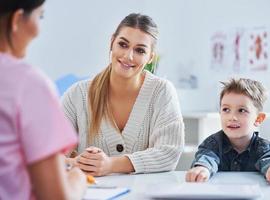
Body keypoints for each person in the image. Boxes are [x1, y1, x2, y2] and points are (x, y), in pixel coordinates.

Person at [63, 13, 184, 176]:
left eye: (140, 50)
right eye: (123, 44)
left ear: (150, 58)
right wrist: (77, 163)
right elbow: (48, 155)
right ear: (112, 42)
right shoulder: (77, 95)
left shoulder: (162, 92)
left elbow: (169, 153)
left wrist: (111, 164)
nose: (128, 56)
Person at [0, 1, 86, 199]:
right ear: (16, 19)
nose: (38, 31)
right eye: (40, 16)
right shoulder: (28, 84)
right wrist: (76, 179)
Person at [186, 78, 270, 184]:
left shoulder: (264, 148)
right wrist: (203, 168)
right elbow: (207, 157)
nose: (232, 117)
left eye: (242, 110)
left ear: (258, 119)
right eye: (226, 110)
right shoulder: (212, 144)